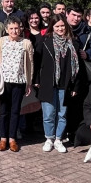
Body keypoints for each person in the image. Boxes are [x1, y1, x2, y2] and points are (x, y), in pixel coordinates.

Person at [34, 15, 81, 153]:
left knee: (62, 114)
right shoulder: (45, 41)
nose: (60, 29)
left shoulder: (73, 43)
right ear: (52, 27)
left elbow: (78, 68)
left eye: (62, 26)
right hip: (48, 83)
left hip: (65, 84)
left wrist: (75, 86)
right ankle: (49, 138)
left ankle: (58, 139)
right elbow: (36, 62)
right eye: (57, 26)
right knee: (48, 114)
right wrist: (36, 80)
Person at [0, 16, 33, 152]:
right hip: (4, 81)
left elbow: (30, 64)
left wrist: (29, 83)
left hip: (19, 81)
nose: (14, 31)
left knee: (15, 111)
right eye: (11, 28)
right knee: (4, 110)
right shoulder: (0, 41)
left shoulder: (26, 43)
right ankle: (2, 138)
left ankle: (12, 138)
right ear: (6, 29)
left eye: (17, 28)